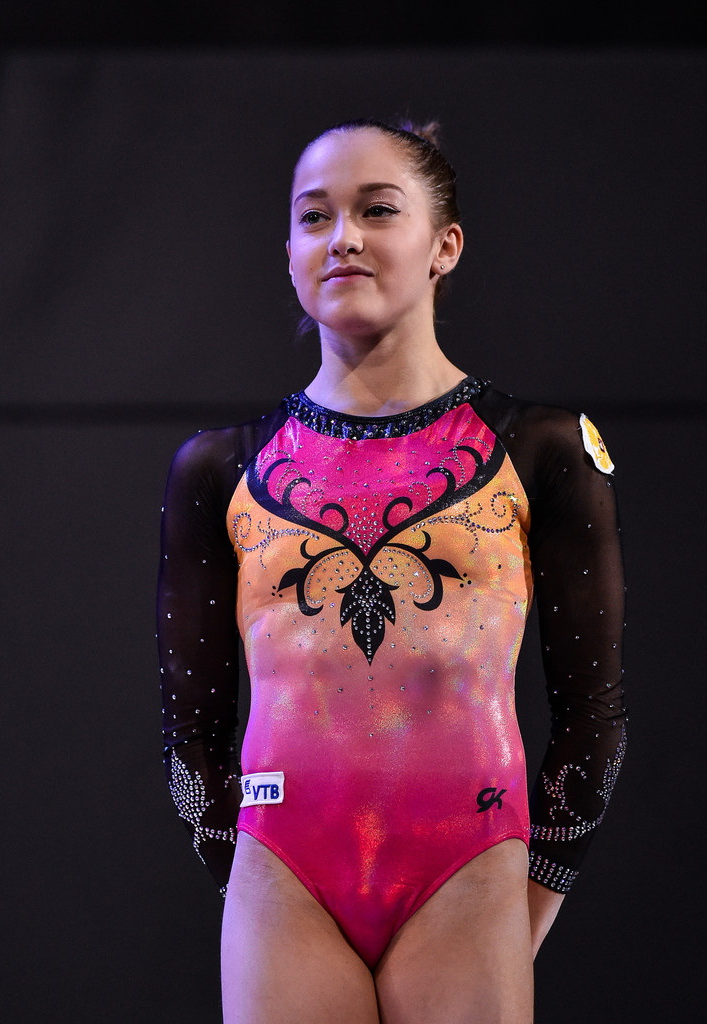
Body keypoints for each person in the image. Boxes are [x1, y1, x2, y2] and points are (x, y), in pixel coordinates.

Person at [157, 117, 627, 1023]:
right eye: (315, 217)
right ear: (289, 255)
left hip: (470, 866)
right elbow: (192, 730)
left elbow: (594, 715)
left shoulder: (539, 448)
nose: (343, 237)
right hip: (282, 874)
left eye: (377, 210)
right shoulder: (222, 468)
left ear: (444, 245)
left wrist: (521, 905)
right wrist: (247, 880)